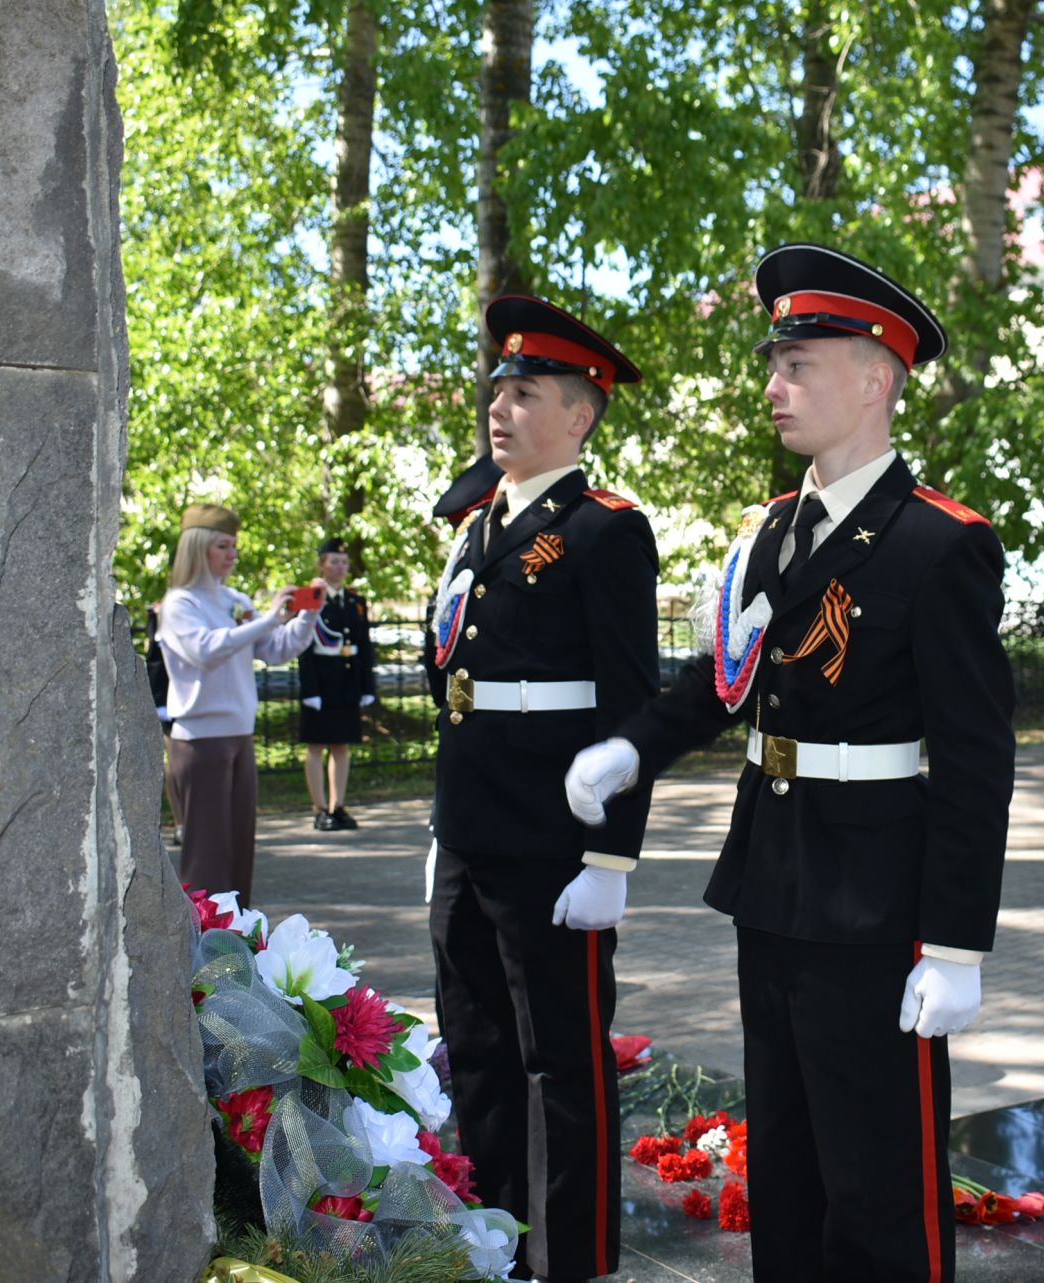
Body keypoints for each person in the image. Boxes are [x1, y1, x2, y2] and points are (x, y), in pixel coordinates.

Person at [564, 243, 1014, 1283]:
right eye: (775, 363)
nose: (775, 384)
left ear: (876, 378)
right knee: (789, 1170)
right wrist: (631, 745)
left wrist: (954, 942)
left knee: (877, 1178)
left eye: (800, 363)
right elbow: (720, 675)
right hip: (771, 878)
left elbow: (977, 758)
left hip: (875, 896)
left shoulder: (938, 544)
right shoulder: (772, 533)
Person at [424, 295, 660, 1282]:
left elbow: (633, 701)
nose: (500, 407)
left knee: (561, 1058)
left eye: (525, 394)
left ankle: (570, 1260)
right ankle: (494, 1242)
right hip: (473, 822)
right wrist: (445, 829)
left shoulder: (606, 530)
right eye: (498, 390)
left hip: (555, 836)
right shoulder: (480, 524)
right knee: (473, 1046)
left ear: (578, 414)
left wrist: (611, 855)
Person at [157, 504, 316, 904]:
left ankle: (235, 950)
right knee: (208, 860)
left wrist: (306, 616)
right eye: (223, 546)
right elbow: (205, 651)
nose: (233, 555)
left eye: (234, 547)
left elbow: (274, 649)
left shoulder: (235, 599)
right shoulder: (180, 604)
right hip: (201, 741)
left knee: (238, 855)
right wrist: (269, 620)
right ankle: (201, 955)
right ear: (198, 548)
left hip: (239, 737)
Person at [298, 536, 377, 832]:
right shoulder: (311, 596)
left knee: (342, 745)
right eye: (334, 561)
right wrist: (309, 690)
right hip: (320, 683)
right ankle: (319, 808)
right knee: (317, 746)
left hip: (346, 682)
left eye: (344, 562)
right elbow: (303, 644)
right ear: (321, 564)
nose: (340, 567)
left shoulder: (356, 601)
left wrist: (367, 686)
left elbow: (364, 645)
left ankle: (338, 805)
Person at [144, 601, 185, 845]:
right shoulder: (160, 619)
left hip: (190, 701)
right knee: (177, 764)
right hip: (169, 703)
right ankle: (181, 823)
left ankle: (190, 821)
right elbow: (155, 664)